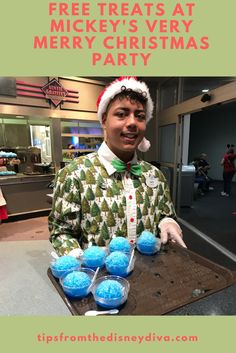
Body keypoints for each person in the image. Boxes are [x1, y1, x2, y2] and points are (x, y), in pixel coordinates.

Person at [48, 77, 186, 256]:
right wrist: (81, 260)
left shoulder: (155, 175)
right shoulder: (74, 174)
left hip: (152, 276)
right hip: (98, 277)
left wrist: (168, 223)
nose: (132, 123)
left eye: (140, 116)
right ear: (104, 120)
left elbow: (165, 214)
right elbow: (61, 232)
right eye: (121, 114)